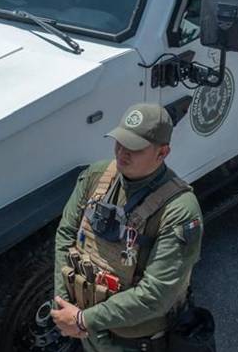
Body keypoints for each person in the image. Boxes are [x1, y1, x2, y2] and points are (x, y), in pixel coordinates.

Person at [51, 104, 204, 351]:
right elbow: (65, 235)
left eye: (135, 147)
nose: (122, 152)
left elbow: (156, 295)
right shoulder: (96, 175)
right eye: (120, 142)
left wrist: (82, 320)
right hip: (88, 331)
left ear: (162, 153)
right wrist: (63, 303)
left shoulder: (179, 210)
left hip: (132, 343)